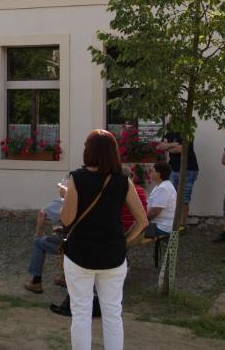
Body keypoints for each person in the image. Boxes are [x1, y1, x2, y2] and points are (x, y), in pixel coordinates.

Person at [61, 129, 147, 350]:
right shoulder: (123, 180)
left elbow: (67, 220)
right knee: (112, 314)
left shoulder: (77, 178)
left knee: (81, 314)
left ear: (89, 151)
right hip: (113, 255)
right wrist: (125, 241)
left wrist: (66, 196)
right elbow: (142, 221)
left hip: (80, 254)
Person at [157, 130, 198, 226]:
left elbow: (181, 149)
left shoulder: (187, 132)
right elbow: (161, 146)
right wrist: (173, 144)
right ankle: (174, 222)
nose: (171, 116)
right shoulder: (169, 133)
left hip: (188, 169)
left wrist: (168, 147)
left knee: (184, 198)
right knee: (172, 197)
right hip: (174, 169)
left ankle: (182, 225)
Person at [146, 161, 177, 237]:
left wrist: (142, 220)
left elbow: (154, 212)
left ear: (158, 174)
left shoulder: (163, 188)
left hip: (162, 227)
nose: (149, 172)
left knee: (131, 228)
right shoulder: (163, 185)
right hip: (161, 224)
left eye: (152, 170)